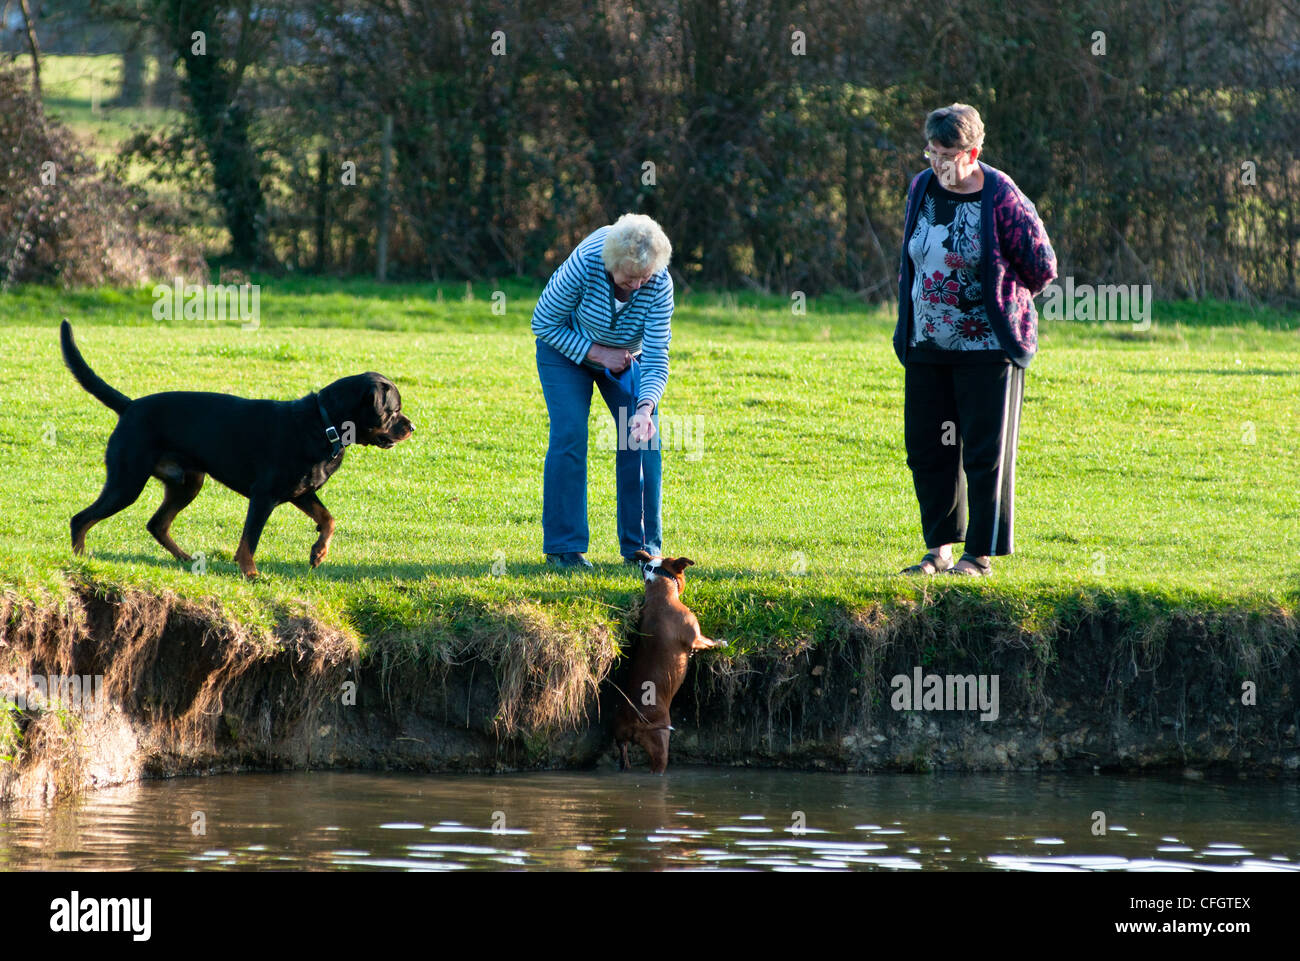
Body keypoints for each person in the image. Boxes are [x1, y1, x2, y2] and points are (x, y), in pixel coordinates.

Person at [894, 103, 1057, 576]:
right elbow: (913, 257)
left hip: (987, 347)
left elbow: (1041, 265)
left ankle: (978, 556)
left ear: (973, 151)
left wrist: (999, 297)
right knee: (927, 448)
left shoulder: (1001, 194)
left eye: (948, 154)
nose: (938, 164)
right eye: (932, 152)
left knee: (984, 453)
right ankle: (939, 548)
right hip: (926, 343)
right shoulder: (921, 187)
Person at [531, 213, 674, 569]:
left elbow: (657, 358)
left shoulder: (659, 283)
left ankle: (641, 552)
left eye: (645, 277)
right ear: (611, 266)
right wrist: (597, 353)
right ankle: (565, 550)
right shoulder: (587, 260)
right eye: (629, 278)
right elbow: (543, 322)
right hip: (564, 351)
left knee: (639, 439)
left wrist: (644, 409)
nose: (638, 286)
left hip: (626, 359)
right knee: (570, 435)